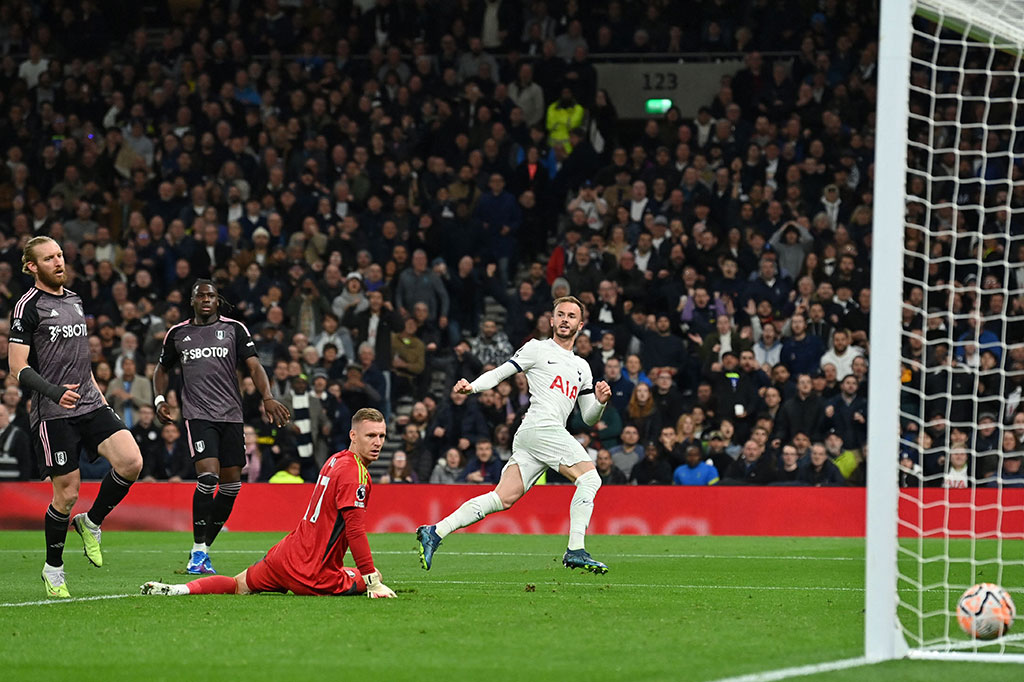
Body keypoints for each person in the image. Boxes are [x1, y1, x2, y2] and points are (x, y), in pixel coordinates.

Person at [416, 296, 613, 574]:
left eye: (571, 316)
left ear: (580, 325)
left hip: (536, 434)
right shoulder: (536, 348)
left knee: (502, 498)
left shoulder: (583, 367)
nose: (565, 319)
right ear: (552, 320)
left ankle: (435, 531)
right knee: (590, 478)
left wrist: (601, 402)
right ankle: (576, 550)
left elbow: (588, 417)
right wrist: (471, 387)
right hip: (541, 427)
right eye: (561, 314)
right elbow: (499, 373)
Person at [141, 408, 397, 598]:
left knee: (238, 584)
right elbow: (354, 530)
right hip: (314, 574)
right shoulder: (357, 474)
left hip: (285, 557)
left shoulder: (335, 460)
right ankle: (370, 580)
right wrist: (372, 580)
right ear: (353, 435)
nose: (377, 443)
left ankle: (179, 590)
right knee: (375, 576)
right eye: (371, 435)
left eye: (382, 436)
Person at [10, 236, 144, 598]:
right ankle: (53, 569)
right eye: (49, 258)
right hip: (53, 411)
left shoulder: (74, 299)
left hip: (90, 402)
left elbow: (79, 362)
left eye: (60, 255)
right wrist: (54, 391)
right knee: (66, 495)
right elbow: (16, 367)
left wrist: (98, 396)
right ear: (32, 267)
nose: (58, 262)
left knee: (131, 461)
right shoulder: (27, 307)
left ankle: (92, 522)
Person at [153, 279, 291, 575]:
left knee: (231, 486)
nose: (206, 299)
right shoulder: (178, 334)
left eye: (211, 295)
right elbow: (161, 369)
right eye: (200, 295)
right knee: (208, 477)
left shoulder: (234, 329)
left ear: (218, 301)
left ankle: (200, 551)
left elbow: (254, 366)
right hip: (198, 415)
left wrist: (267, 397)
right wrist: (160, 399)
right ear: (192, 300)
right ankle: (199, 552)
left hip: (231, 416)